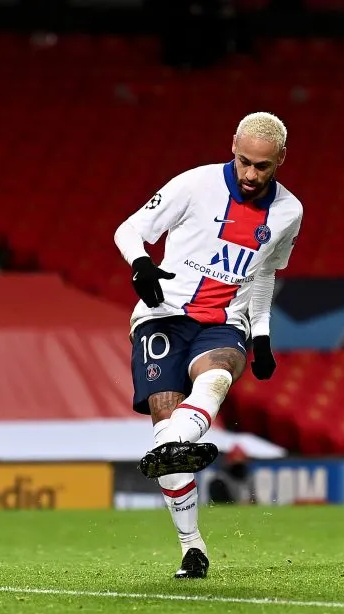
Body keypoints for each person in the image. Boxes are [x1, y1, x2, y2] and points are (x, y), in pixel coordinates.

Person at [112, 111, 302, 579]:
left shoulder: (288, 212)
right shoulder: (195, 184)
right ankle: (191, 546)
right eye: (244, 162)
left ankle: (178, 441)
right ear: (233, 145)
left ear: (281, 159)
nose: (251, 174)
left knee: (215, 376)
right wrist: (140, 263)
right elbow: (129, 229)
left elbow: (264, 274)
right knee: (165, 419)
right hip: (162, 316)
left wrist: (261, 333)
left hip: (224, 322)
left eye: (262, 166)